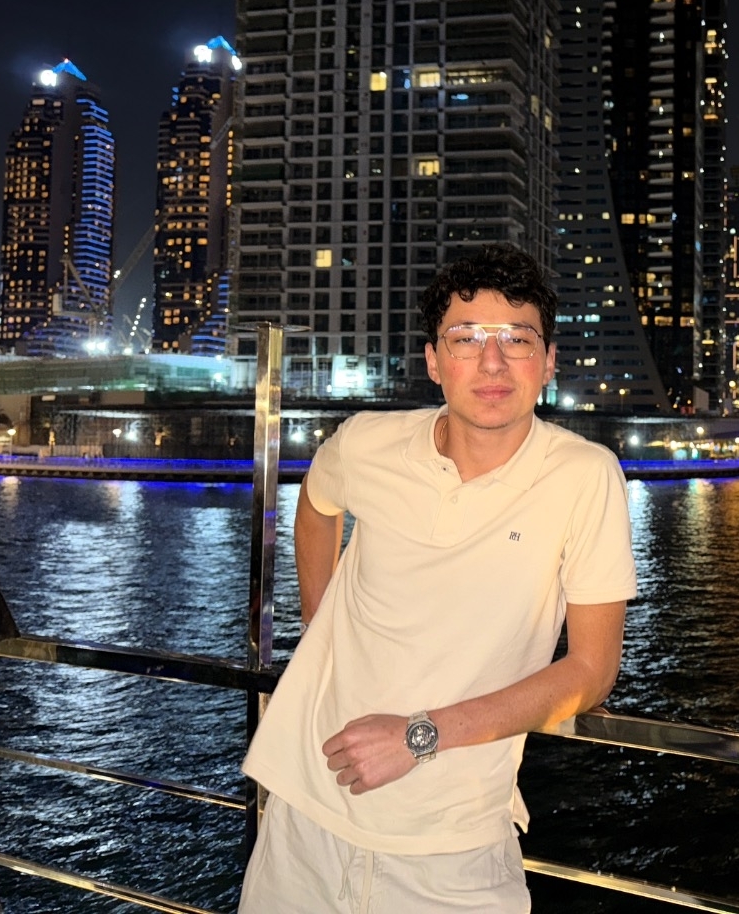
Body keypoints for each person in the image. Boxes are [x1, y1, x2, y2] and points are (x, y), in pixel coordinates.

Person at [239, 244, 638, 912]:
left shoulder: (584, 476)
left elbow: (593, 671)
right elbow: (316, 504)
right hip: (304, 817)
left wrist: (419, 735)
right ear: (433, 360)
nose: (492, 361)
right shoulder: (366, 442)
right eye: (466, 338)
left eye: (517, 339)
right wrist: (320, 622)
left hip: (453, 847)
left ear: (547, 362)